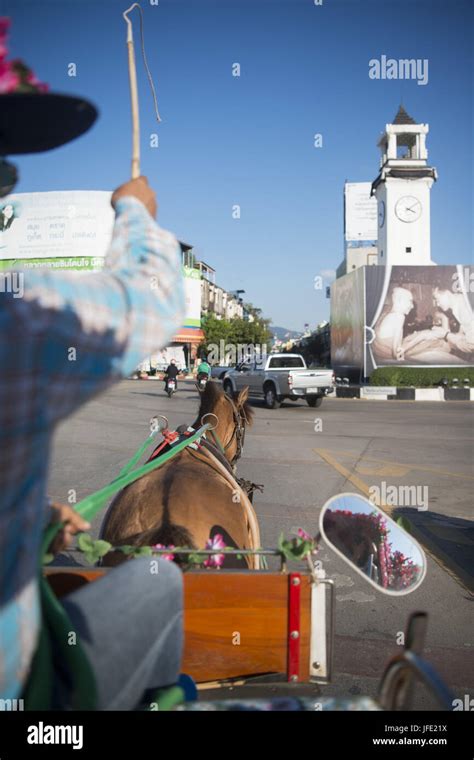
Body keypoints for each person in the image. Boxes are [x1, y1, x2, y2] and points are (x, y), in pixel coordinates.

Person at [0, 31, 185, 710]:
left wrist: (31, 513)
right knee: (160, 581)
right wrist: (134, 209)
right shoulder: (19, 326)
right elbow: (149, 301)